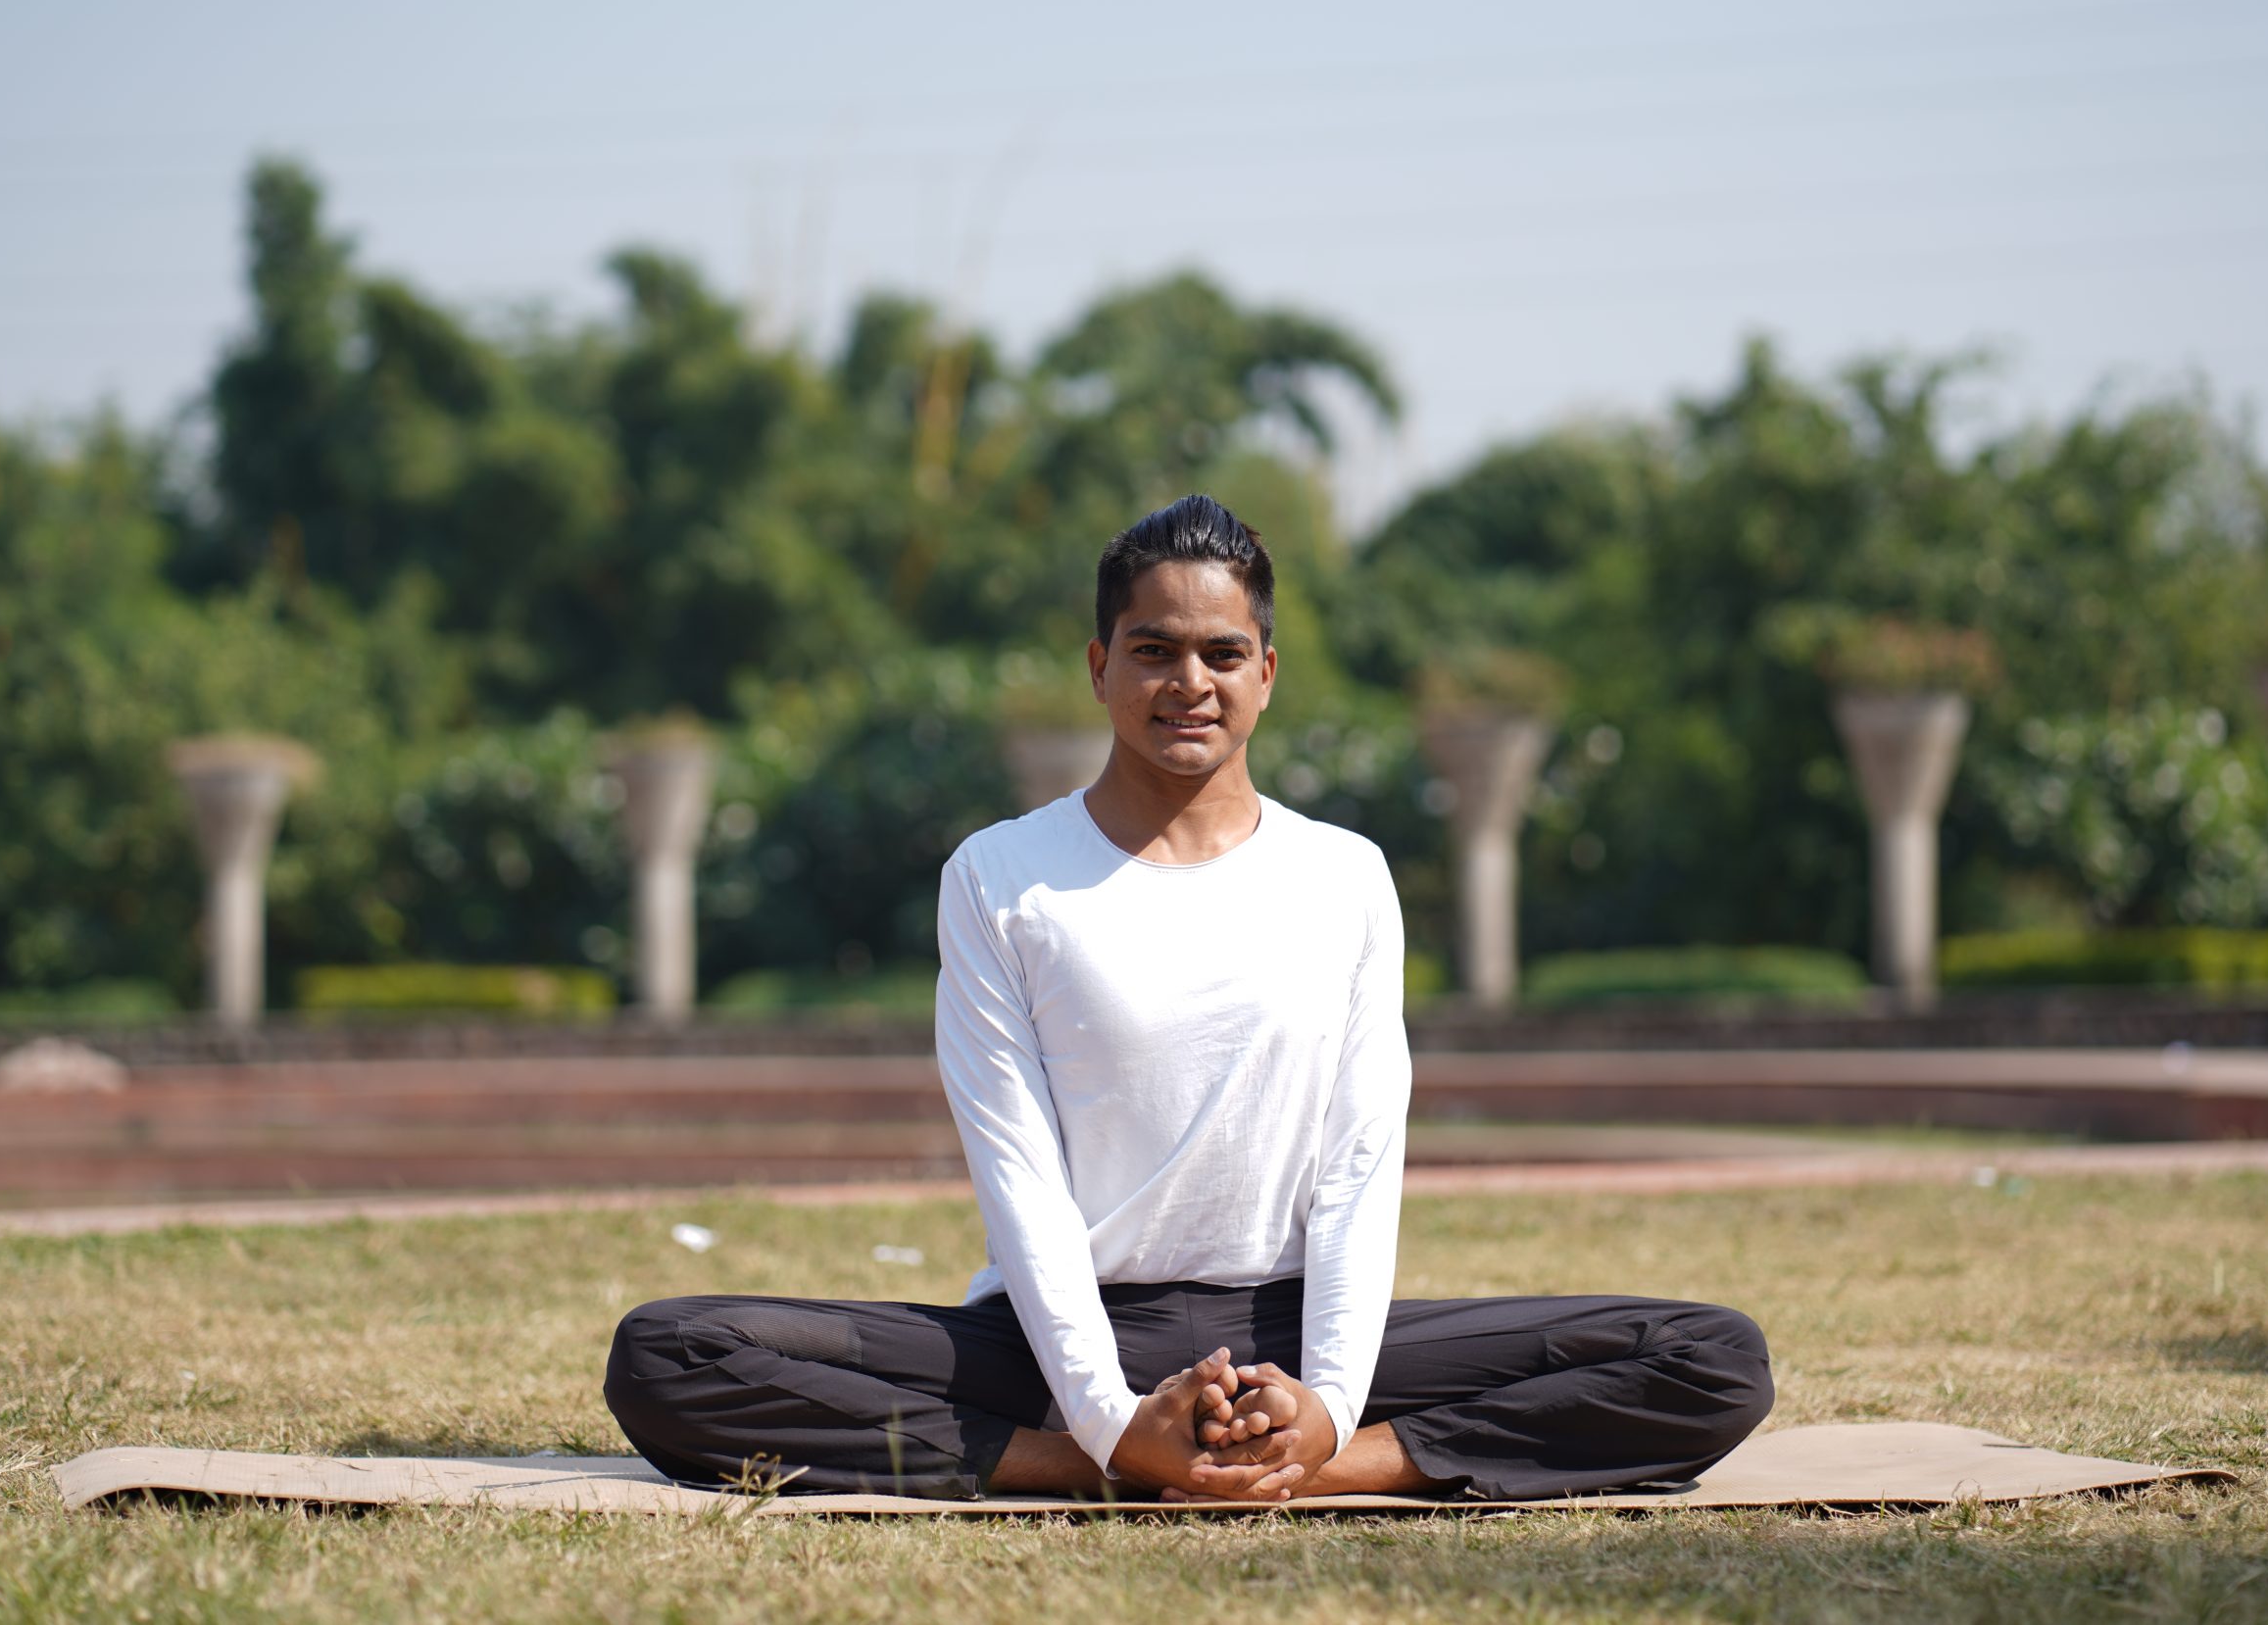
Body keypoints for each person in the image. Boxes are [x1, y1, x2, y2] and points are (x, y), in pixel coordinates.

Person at [603, 495, 1773, 1502]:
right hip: (1057, 1339)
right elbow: (1021, 1178)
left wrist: (1322, 1406)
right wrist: (1110, 1422)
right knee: (669, 1353)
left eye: (1221, 653)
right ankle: (1078, 1466)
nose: (1188, 683)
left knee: (1709, 1357)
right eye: (1153, 649)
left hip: (1291, 1329)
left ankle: (1343, 1464)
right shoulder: (1001, 877)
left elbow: (1360, 1167)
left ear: (1266, 672)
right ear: (1098, 665)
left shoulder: (1345, 875)